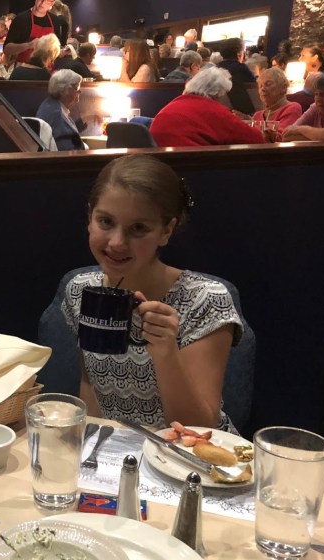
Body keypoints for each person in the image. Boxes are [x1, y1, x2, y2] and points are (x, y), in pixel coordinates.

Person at [60, 154, 243, 431]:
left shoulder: (206, 299)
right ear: (90, 218)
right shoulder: (80, 290)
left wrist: (166, 352)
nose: (117, 242)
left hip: (192, 452)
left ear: (166, 231)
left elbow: (199, 429)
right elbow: (91, 385)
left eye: (138, 228)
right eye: (105, 221)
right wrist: (88, 444)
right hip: (118, 449)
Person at [150, 67, 265, 146]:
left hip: (157, 164)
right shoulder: (214, 111)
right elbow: (257, 139)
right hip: (190, 166)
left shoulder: (175, 103)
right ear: (216, 94)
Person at [3, 0, 68, 64]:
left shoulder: (55, 20)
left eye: (48, 0)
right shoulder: (21, 19)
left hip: (47, 69)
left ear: (52, 3)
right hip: (24, 68)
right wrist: (29, 45)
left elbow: (55, 49)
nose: (43, 3)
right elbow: (6, 49)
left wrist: (62, 52)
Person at [35, 69, 86, 150]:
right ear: (63, 90)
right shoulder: (56, 113)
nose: (80, 91)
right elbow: (66, 149)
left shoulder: (50, 104)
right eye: (76, 87)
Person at [249, 67, 302, 141]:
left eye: (268, 84)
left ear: (283, 87)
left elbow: (281, 137)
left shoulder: (292, 108)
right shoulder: (257, 115)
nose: (262, 89)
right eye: (260, 86)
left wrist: (251, 126)